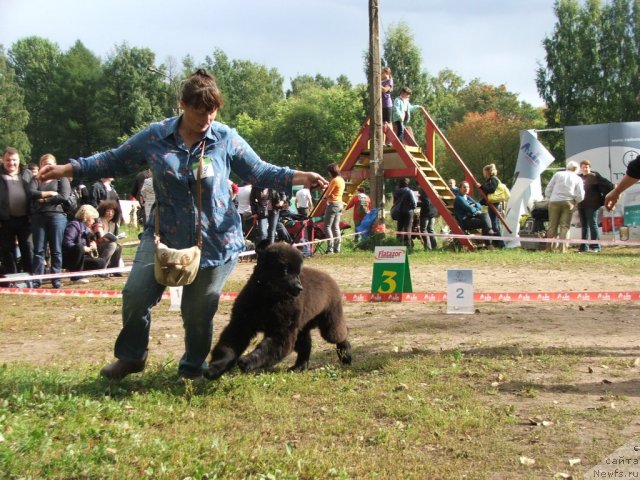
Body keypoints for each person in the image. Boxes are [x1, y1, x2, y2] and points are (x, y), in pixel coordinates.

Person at [38, 68, 327, 382]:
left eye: (212, 111)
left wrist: (302, 177)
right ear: (182, 104)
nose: (206, 118)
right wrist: (65, 169)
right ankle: (132, 357)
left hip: (216, 241)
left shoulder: (226, 138)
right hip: (164, 234)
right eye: (198, 110)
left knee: (197, 311)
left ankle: (192, 369)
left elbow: (260, 172)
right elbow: (113, 160)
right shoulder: (155, 137)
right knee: (135, 295)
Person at [29, 154, 71, 289]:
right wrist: (49, 193)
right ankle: (37, 279)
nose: (47, 166)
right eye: (44, 163)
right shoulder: (36, 179)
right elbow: (31, 193)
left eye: (50, 163)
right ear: (40, 165)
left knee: (56, 250)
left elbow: (64, 196)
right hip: (38, 217)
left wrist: (44, 200)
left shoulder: (61, 178)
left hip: (57, 217)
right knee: (38, 250)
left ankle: (56, 279)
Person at [0, 147, 34, 275]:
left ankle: (30, 277)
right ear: (3, 160)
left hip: (25, 218)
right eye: (8, 160)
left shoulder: (27, 174)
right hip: (5, 220)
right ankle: (12, 278)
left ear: (19, 160)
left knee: (28, 248)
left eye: (14, 160)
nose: (11, 163)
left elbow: (34, 194)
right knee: (7, 250)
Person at [544, 161, 585, 253]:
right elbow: (581, 195)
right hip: (568, 202)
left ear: (567, 167)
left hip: (554, 201)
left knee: (552, 226)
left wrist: (548, 198)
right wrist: (575, 201)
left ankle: (549, 248)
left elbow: (549, 188)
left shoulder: (558, 174)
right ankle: (562, 249)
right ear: (577, 170)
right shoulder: (578, 178)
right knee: (565, 226)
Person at [62, 204, 106, 283]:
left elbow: (89, 248)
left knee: (101, 262)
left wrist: (93, 246)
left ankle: (81, 271)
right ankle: (76, 277)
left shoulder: (88, 229)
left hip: (83, 257)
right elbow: (67, 243)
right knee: (79, 247)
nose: (93, 221)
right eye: (93, 218)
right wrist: (84, 248)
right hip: (70, 256)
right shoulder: (74, 225)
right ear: (86, 217)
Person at [577, 159, 613, 253]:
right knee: (584, 226)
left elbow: (609, 186)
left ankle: (596, 246)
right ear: (580, 168)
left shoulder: (595, 176)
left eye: (587, 167)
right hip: (581, 204)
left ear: (590, 167)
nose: (585, 169)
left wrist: (605, 199)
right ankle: (583, 247)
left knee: (593, 224)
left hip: (593, 205)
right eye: (583, 167)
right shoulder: (578, 177)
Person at [453, 180, 494, 247]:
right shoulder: (459, 198)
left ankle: (489, 237)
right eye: (464, 187)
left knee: (485, 215)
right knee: (485, 221)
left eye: (468, 187)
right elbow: (470, 209)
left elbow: (479, 206)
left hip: (471, 218)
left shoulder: (468, 197)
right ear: (460, 188)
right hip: (464, 221)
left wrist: (475, 207)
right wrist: (474, 207)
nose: (466, 189)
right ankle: (489, 242)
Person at [477, 163, 506, 249]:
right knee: (494, 223)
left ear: (487, 172)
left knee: (494, 224)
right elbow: (487, 195)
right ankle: (497, 243)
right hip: (492, 203)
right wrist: (479, 203)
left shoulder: (493, 179)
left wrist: (481, 187)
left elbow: (491, 190)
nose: (483, 174)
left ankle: (501, 244)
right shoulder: (490, 180)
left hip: (495, 204)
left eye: (484, 172)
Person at [95, 199, 123, 271]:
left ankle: (114, 269)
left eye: (112, 212)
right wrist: (105, 238)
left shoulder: (114, 223)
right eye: (108, 211)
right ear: (103, 211)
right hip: (98, 245)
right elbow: (100, 235)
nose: (110, 213)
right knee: (112, 245)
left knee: (118, 247)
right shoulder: (99, 220)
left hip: (108, 244)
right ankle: (102, 268)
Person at [323, 163, 345, 254]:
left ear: (331, 172)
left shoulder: (334, 180)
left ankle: (330, 248)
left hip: (333, 205)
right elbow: (335, 192)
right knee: (335, 227)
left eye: (329, 172)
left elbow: (327, 194)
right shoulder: (341, 180)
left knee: (327, 227)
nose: (328, 174)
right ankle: (337, 248)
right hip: (340, 203)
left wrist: (325, 191)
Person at [391, 178, 417, 248]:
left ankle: (398, 244)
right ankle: (407, 245)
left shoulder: (396, 192)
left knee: (399, 228)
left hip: (399, 212)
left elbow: (394, 202)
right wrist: (412, 208)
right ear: (407, 183)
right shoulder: (409, 191)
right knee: (407, 228)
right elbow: (414, 203)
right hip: (408, 212)